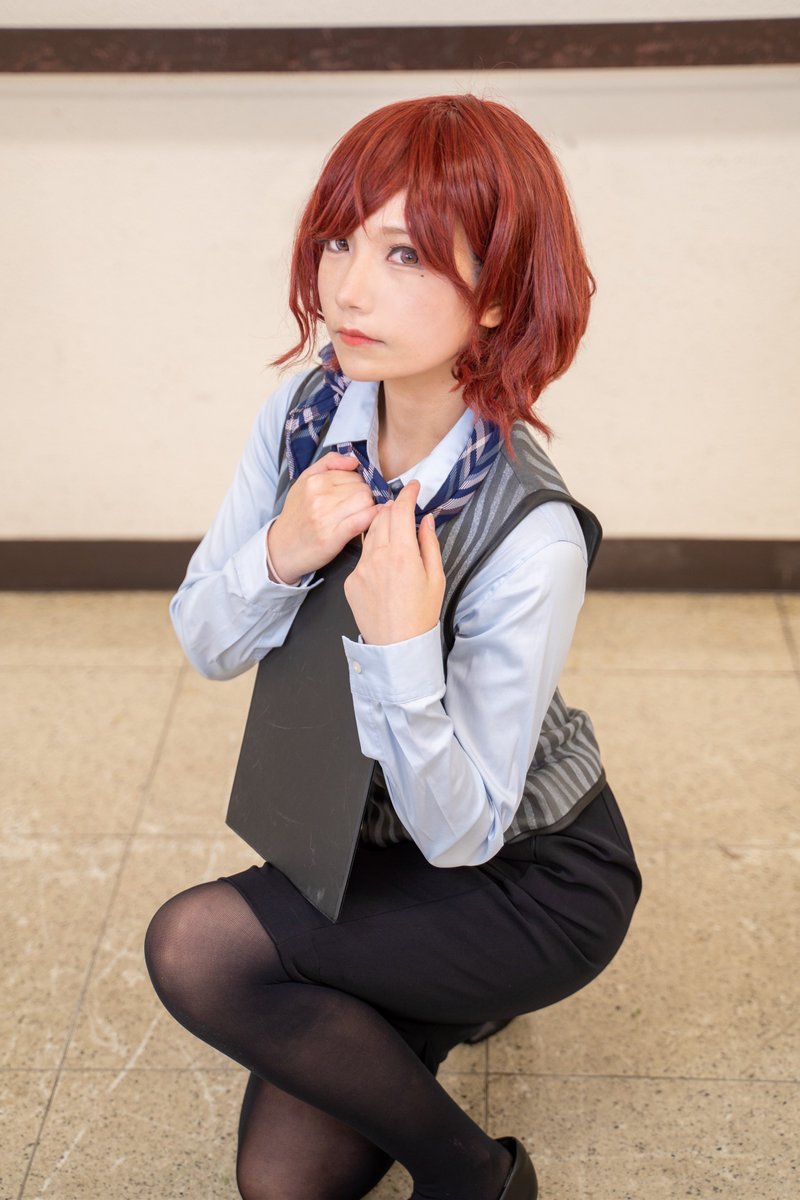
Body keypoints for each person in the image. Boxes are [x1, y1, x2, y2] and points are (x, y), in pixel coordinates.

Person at [144, 94, 642, 1200]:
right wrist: (282, 550)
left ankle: (476, 1178)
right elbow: (206, 642)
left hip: (523, 877)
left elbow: (463, 832)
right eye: (339, 241)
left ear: (498, 291)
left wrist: (404, 641)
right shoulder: (301, 417)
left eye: (405, 253)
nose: (348, 290)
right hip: (362, 848)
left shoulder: (532, 532)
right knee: (283, 1185)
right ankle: (435, 996)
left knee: (197, 945)